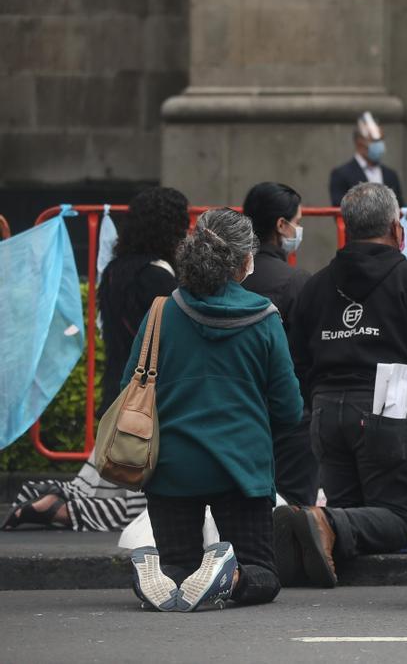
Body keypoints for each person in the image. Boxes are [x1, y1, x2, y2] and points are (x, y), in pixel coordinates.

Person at [126, 207, 303, 612]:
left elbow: (129, 389)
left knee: (181, 570)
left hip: (169, 469)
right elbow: (289, 409)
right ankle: (232, 574)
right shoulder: (263, 317)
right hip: (240, 471)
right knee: (262, 573)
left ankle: (164, 573)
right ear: (244, 261)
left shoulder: (160, 313)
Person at [281, 182, 407, 588]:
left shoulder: (315, 285)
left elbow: (297, 359)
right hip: (387, 410)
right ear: (395, 228)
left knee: (353, 512)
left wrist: (315, 405)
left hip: (325, 410)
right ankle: (322, 519)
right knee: (403, 521)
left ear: (346, 228)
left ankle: (321, 526)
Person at [4, 187, 189, 533]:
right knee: (130, 508)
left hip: (120, 391)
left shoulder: (117, 270)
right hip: (152, 396)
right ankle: (61, 511)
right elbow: (169, 340)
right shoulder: (159, 277)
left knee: (113, 480)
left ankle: (57, 502)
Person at [240, 182, 319, 510]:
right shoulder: (294, 281)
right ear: (281, 225)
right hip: (287, 414)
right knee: (294, 513)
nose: (299, 230)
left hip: (237, 408)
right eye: (297, 222)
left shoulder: (232, 278)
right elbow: (306, 352)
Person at [329, 111, 406, 208]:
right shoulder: (341, 175)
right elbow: (340, 210)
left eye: (381, 139)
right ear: (359, 141)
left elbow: (401, 208)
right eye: (374, 140)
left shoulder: (391, 175)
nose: (379, 144)